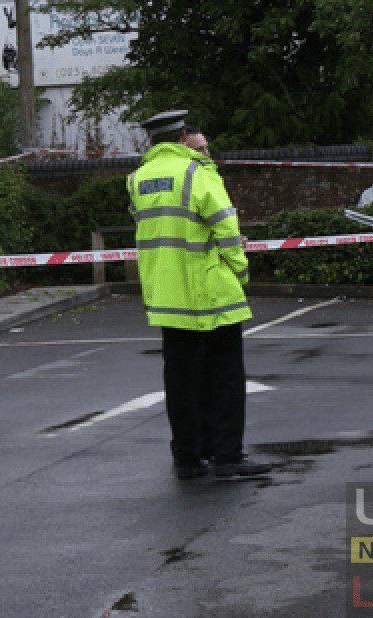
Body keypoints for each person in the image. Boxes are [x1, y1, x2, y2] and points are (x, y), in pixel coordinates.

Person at [128, 109, 271, 481]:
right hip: (209, 292)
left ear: (152, 141)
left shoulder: (138, 178)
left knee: (181, 381)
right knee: (225, 377)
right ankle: (228, 456)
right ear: (181, 138)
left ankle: (188, 457)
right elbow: (226, 228)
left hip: (166, 295)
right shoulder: (197, 172)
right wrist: (240, 270)